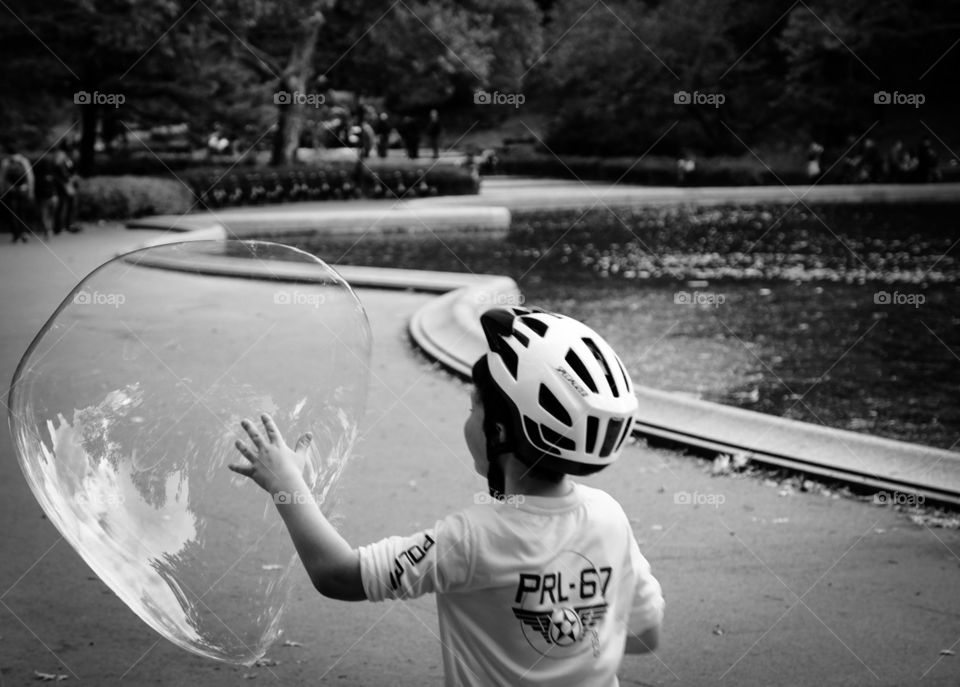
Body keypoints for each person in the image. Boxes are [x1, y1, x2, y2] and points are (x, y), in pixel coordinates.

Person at [230, 306, 665, 686]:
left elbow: (337, 574)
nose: (467, 418)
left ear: (497, 434)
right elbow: (646, 635)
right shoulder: (611, 517)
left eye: (472, 407)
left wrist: (287, 486)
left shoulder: (473, 538)